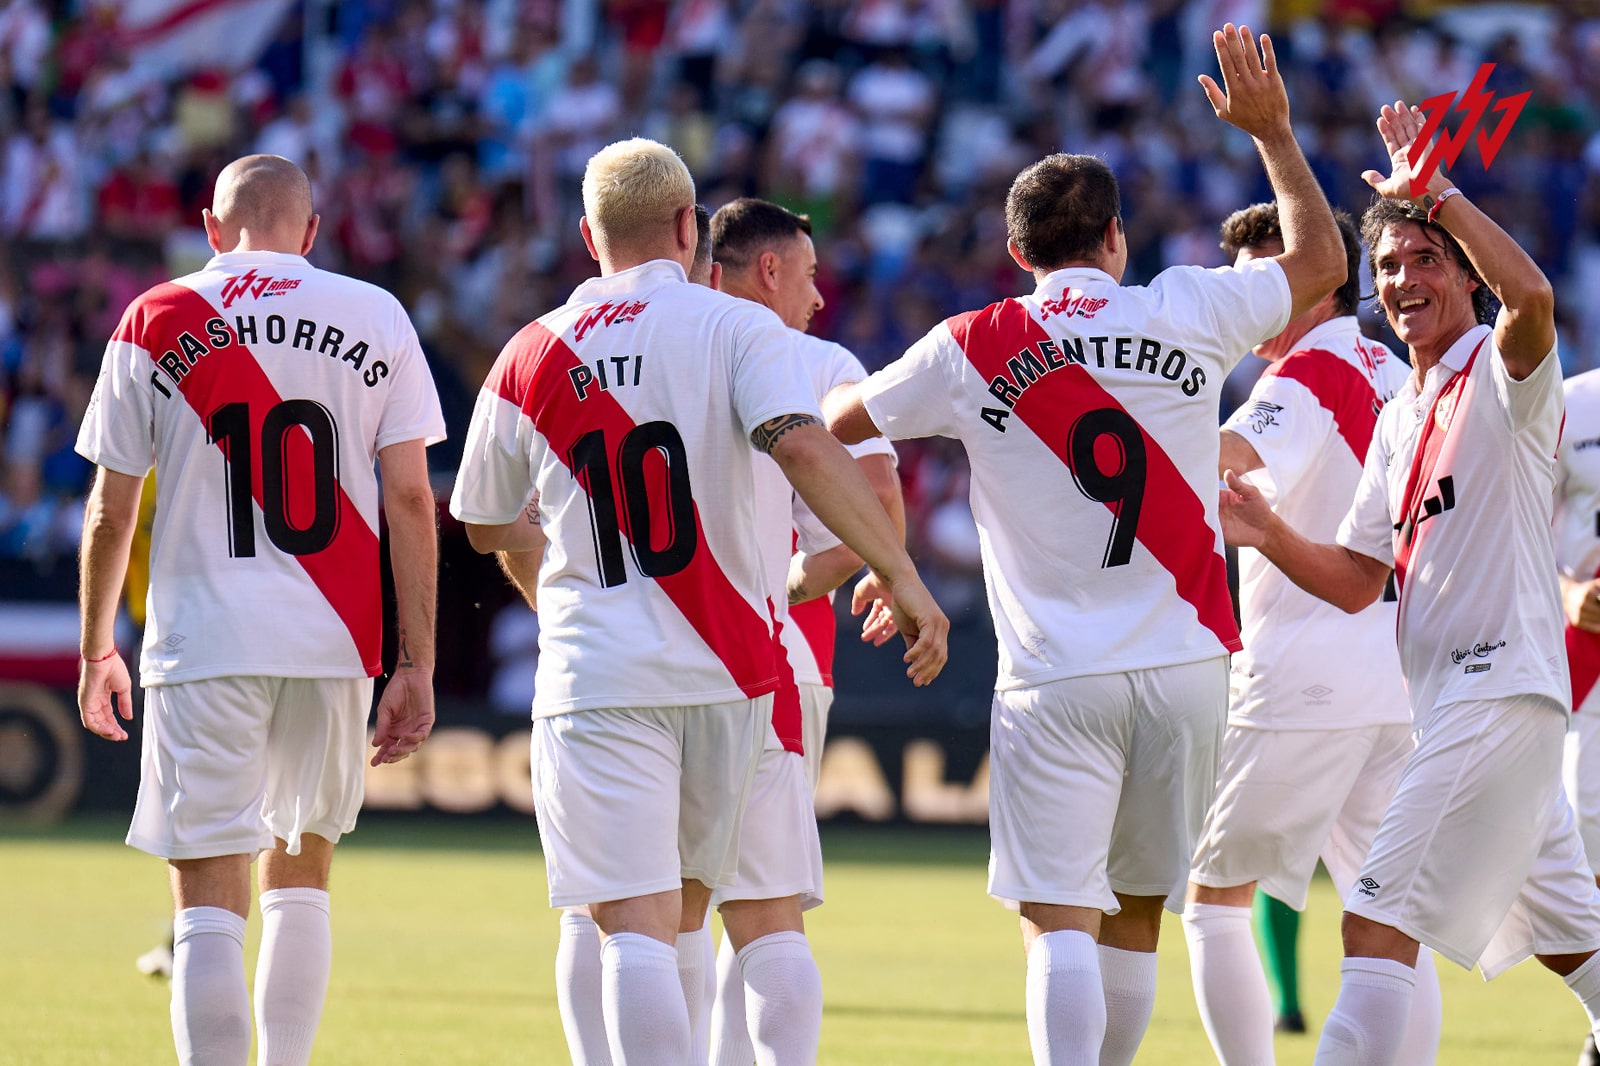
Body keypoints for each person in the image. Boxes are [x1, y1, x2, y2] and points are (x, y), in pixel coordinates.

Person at [826, 25, 1344, 1066]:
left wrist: (838, 385)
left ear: (1018, 254)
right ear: (1116, 237)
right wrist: (1275, 139)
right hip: (1190, 658)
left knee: (1055, 914)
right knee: (1139, 910)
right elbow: (1323, 263)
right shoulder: (1190, 303)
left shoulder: (971, 345)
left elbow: (842, 427)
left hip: (1056, 671)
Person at [449, 138, 947, 1066]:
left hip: (601, 675)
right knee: (769, 922)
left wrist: (550, 581)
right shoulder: (744, 331)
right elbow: (804, 451)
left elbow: (481, 521)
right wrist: (903, 573)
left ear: (587, 236)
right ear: (688, 229)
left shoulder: (529, 353)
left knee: (632, 927)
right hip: (743, 670)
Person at [1220, 100, 1600, 1066]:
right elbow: (1355, 579)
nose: (1402, 281)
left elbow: (1537, 301)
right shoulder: (1402, 408)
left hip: (1496, 690)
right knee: (1572, 939)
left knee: (1372, 929)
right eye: (1388, 267)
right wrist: (1267, 533)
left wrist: (1441, 196)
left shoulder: (1502, 370)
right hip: (1463, 705)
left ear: (1467, 275)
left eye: (1425, 260)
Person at [74, 154, 445, 1066]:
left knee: (205, 894)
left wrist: (95, 650)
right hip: (332, 638)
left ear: (211, 226)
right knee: (301, 879)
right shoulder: (376, 314)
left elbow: (111, 509)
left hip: (202, 639)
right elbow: (409, 502)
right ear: (311, 233)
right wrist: (417, 661)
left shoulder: (156, 316)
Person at [1181, 202, 1441, 1064]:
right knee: (1390, 914)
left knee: (1213, 896)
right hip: (1401, 669)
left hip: (1307, 670)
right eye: (1249, 279)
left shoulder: (1303, 374)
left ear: (1325, 277)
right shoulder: (1396, 368)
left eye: (1277, 274)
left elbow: (1236, 467)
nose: (1261, 295)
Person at [705, 196, 906, 1066]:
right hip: (778, 660)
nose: (821, 298)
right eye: (812, 275)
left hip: (648, 651)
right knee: (758, 900)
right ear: (770, 270)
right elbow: (883, 507)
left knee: (648, 905)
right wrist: (786, 584)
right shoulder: (823, 363)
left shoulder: (657, 348)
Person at [1544, 366, 1600, 1066]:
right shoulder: (1569, 404)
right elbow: (1519, 528)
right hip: (1586, 662)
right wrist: (1564, 591)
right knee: (1583, 851)